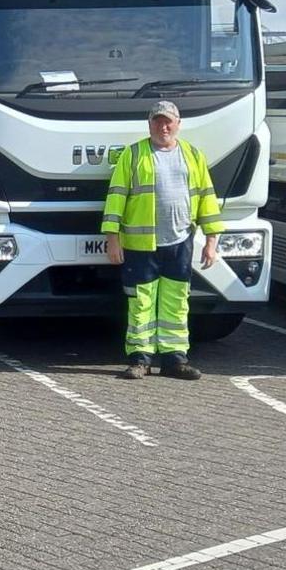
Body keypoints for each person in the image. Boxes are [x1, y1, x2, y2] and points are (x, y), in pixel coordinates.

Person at [102, 101, 224, 380]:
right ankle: (140, 359)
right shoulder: (133, 155)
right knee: (140, 304)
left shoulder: (193, 155)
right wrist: (112, 238)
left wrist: (211, 241)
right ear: (149, 125)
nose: (163, 126)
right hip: (141, 246)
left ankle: (174, 359)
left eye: (168, 121)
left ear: (178, 124)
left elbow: (207, 197)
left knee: (177, 303)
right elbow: (116, 197)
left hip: (180, 242)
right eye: (158, 121)